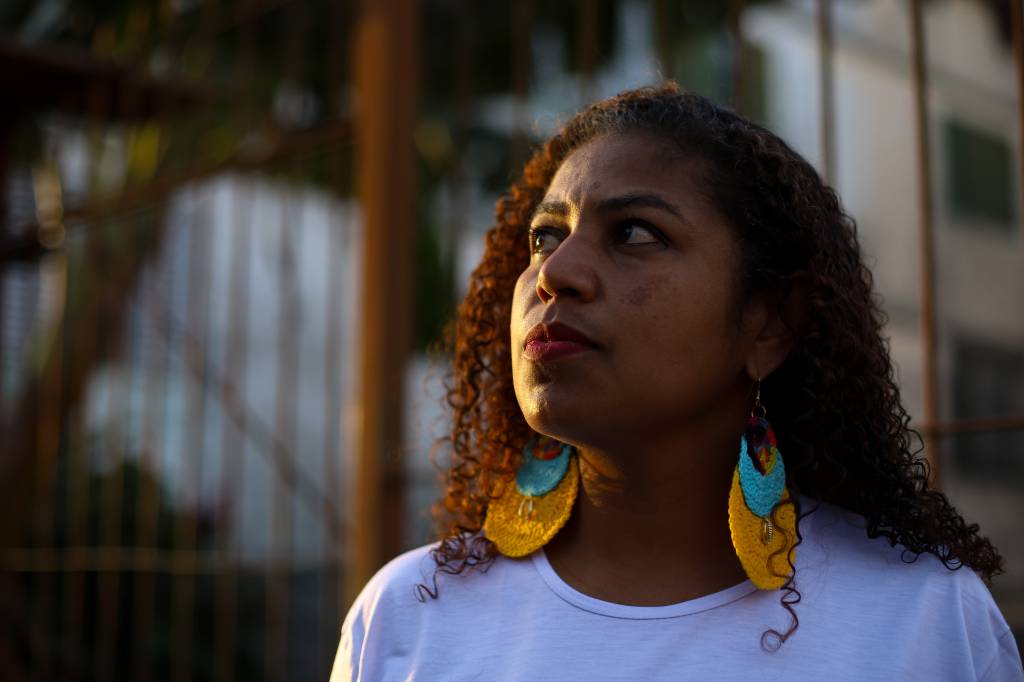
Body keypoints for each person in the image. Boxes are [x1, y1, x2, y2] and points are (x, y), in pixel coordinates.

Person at [331, 83, 1023, 680]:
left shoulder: (926, 624)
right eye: (546, 236)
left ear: (769, 325)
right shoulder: (409, 617)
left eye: (634, 234)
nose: (554, 273)